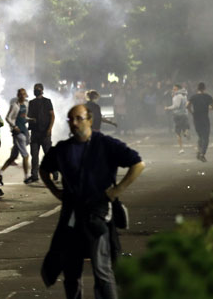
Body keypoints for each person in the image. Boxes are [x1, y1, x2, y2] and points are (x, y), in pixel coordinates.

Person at [40, 104, 145, 299]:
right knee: (71, 273)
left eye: (79, 118)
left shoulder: (105, 144)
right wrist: (56, 191)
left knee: (102, 269)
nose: (74, 123)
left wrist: (115, 191)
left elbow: (137, 164)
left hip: (98, 215)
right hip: (71, 217)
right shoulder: (63, 149)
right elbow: (44, 169)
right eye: (71, 119)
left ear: (90, 120)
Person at [27, 83, 55, 183]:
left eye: (38, 89)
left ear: (42, 90)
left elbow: (52, 116)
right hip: (35, 133)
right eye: (35, 89)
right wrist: (29, 120)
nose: (36, 91)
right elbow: (28, 116)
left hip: (45, 133)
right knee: (34, 155)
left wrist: (49, 129)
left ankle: (54, 172)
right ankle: (34, 175)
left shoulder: (47, 102)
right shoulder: (31, 103)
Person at [1, 88, 30, 183]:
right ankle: (27, 177)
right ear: (18, 95)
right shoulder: (14, 105)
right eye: (20, 94)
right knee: (25, 155)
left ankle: (0, 174)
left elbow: (25, 117)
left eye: (23, 94)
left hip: (24, 130)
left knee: (13, 156)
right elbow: (7, 117)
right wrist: (14, 126)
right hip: (18, 133)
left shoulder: (26, 104)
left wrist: (31, 120)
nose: (22, 95)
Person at [188, 82, 213, 162]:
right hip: (205, 119)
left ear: (197, 88)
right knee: (205, 137)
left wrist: (191, 112)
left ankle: (199, 152)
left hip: (196, 119)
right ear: (204, 88)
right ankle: (202, 154)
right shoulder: (208, 97)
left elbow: (187, 105)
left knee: (200, 136)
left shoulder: (193, 97)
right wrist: (208, 108)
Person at [165, 84, 190, 152]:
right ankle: (185, 132)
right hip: (185, 114)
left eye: (175, 89)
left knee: (178, 133)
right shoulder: (184, 95)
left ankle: (181, 149)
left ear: (178, 89)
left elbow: (176, 106)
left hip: (178, 115)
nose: (173, 90)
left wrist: (168, 108)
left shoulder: (178, 96)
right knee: (185, 128)